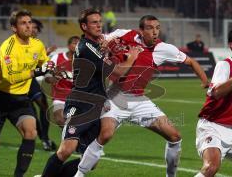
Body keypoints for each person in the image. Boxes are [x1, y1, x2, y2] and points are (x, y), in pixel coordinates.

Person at [74, 15, 209, 177]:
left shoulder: (164, 48)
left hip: (140, 101)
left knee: (175, 136)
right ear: (141, 30)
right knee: (106, 134)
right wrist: (102, 43)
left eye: (157, 28)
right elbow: (102, 38)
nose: (155, 32)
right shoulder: (125, 34)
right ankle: (79, 175)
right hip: (116, 96)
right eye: (150, 28)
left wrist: (204, 81)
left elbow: (191, 62)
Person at [41, 8, 141, 177]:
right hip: (80, 105)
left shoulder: (96, 46)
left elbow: (104, 70)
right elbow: (117, 73)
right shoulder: (87, 47)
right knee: (66, 150)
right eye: (94, 22)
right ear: (84, 26)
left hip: (96, 106)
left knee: (91, 161)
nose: (99, 25)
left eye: (100, 22)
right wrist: (131, 57)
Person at [0, 10, 54, 177]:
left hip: (20, 100)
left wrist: (51, 66)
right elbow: (10, 77)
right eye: (23, 23)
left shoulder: (37, 44)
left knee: (31, 132)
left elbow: (45, 61)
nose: (28, 26)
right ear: (14, 28)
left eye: (29, 22)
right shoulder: (8, 47)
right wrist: (35, 72)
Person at [194, 30, 232, 177]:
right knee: (211, 167)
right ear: (231, 45)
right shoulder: (225, 65)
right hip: (214, 126)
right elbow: (216, 92)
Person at [29, 18, 57, 151]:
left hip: (30, 81)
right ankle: (42, 138)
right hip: (17, 83)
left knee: (44, 107)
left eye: (35, 27)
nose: (33, 30)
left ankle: (45, 139)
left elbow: (40, 66)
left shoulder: (38, 45)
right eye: (30, 27)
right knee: (31, 114)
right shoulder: (18, 42)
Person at [45, 36, 80, 126]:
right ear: (68, 46)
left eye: (79, 44)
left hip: (77, 98)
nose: (77, 46)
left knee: (73, 125)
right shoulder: (57, 57)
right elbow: (47, 74)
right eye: (75, 43)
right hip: (60, 97)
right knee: (60, 120)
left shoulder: (84, 61)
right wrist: (51, 79)